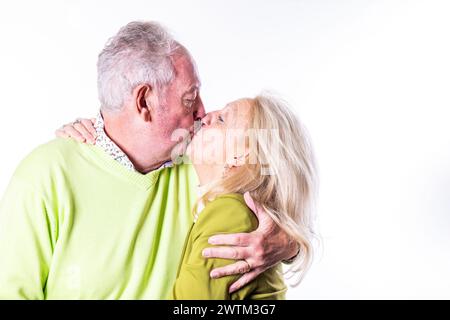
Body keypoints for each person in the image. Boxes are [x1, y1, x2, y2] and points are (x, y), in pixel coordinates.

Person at [0, 21, 299, 299]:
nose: (203, 111)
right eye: (189, 97)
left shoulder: (206, 169)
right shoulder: (45, 175)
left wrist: (288, 243)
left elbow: (278, 192)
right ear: (144, 102)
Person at [59, 94, 317, 299]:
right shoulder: (199, 180)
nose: (205, 116)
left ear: (241, 156)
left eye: (223, 120)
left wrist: (290, 242)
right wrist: (100, 132)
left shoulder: (231, 212)